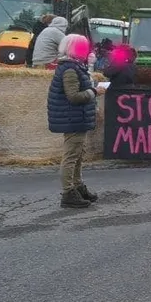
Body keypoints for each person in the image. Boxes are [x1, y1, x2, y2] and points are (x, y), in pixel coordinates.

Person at [48, 34, 104, 209]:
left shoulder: (75, 67)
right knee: (71, 156)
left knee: (78, 154)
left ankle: (78, 186)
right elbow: (73, 96)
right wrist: (94, 92)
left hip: (77, 117)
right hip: (73, 117)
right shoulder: (71, 70)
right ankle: (68, 192)